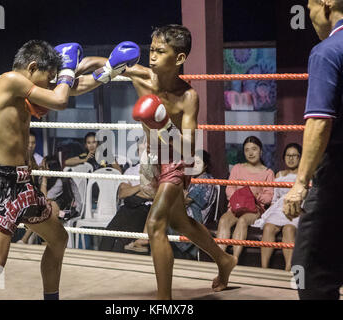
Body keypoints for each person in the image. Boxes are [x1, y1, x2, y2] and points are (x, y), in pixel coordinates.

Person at [72, 25, 237, 299]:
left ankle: (164, 300)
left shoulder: (188, 97)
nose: (152, 56)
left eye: (161, 51)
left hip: (176, 161)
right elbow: (99, 64)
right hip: (151, 159)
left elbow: (188, 148)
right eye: (152, 49)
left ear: (180, 58)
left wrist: (162, 125)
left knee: (154, 224)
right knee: (181, 223)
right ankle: (223, 259)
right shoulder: (140, 75)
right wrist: (72, 69)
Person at [0, 39, 102, 300]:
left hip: (24, 184)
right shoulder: (9, 81)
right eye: (47, 77)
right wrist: (67, 71)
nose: (49, 83)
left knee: (58, 239)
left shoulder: (24, 91)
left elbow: (71, 89)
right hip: (1, 185)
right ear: (33, 67)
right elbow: (60, 99)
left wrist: (110, 70)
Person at [283, 0, 343, 300]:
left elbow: (319, 122)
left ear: (326, 4)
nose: (307, 13)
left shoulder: (329, 50)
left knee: (310, 273)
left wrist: (300, 184)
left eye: (309, 4)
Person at [216, 136, 274, 259]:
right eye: (247, 150)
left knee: (242, 221)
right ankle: (220, 260)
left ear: (261, 151)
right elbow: (229, 189)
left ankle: (234, 260)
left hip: (254, 209)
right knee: (223, 220)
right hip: (236, 207)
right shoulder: (237, 168)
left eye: (254, 149)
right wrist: (243, 197)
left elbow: (269, 196)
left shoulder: (268, 172)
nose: (250, 153)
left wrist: (255, 197)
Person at [99, 136, 155, 253]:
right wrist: (141, 186)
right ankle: (100, 261)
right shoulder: (131, 171)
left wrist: (134, 191)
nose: (143, 153)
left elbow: (154, 193)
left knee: (122, 241)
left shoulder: (156, 170)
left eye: (146, 150)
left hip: (146, 210)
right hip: (128, 207)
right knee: (108, 235)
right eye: (141, 150)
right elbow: (122, 193)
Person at [251, 143, 302, 271]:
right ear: (284, 158)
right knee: (268, 227)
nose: (291, 158)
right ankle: (264, 269)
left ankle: (288, 269)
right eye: (288, 155)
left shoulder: (304, 175)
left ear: (301, 157)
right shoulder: (279, 175)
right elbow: (275, 199)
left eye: (294, 155)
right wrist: (270, 212)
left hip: (297, 209)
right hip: (280, 209)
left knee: (289, 229)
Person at [169, 150, 218, 260]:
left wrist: (180, 196)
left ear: (205, 166)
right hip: (183, 211)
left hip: (195, 216)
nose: (194, 166)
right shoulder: (190, 179)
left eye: (198, 163)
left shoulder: (206, 180)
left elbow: (186, 200)